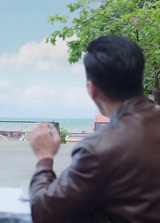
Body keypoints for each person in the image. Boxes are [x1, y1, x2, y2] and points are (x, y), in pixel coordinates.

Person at [28, 36, 160, 223]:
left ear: (92, 89)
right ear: (141, 76)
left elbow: (44, 213)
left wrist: (44, 158)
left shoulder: (98, 148)